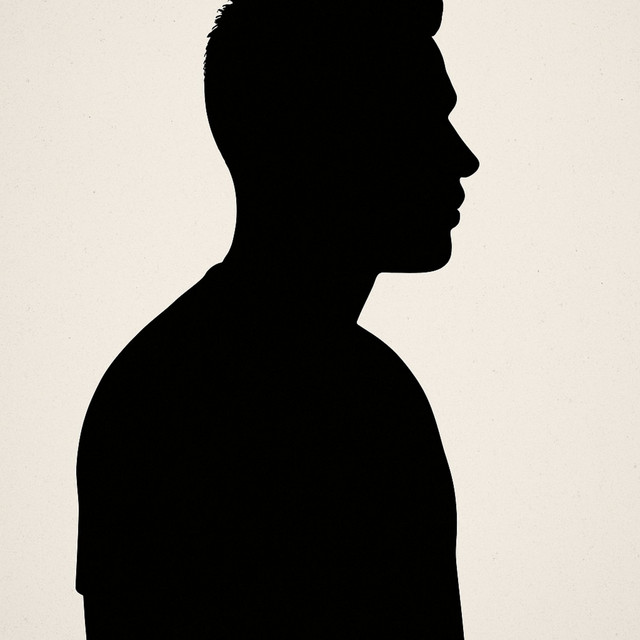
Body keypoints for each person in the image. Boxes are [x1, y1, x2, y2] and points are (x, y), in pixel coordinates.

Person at [76, 1, 479, 637]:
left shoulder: (154, 387)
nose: (463, 157)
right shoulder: (367, 401)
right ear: (326, 140)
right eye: (422, 120)